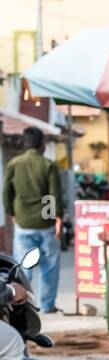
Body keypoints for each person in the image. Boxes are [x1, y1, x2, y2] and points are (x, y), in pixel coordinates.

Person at [2, 128, 63, 314]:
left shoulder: (14, 164)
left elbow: (6, 193)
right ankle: (47, 305)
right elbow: (53, 195)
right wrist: (56, 218)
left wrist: (12, 213)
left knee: (22, 266)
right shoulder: (48, 165)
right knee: (49, 266)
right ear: (42, 145)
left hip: (22, 221)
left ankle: (23, 305)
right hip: (45, 221)